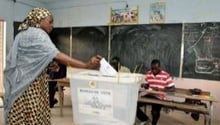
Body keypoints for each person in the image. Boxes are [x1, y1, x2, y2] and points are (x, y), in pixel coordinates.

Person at [3, 7, 101, 125]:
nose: (52, 26)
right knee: (33, 116)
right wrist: (86, 65)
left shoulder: (22, 34)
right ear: (38, 21)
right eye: (50, 22)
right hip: (32, 86)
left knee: (20, 114)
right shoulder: (39, 34)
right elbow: (57, 55)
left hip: (18, 83)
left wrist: (48, 65)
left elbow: (29, 59)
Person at [136, 59, 175, 125]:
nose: (154, 71)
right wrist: (145, 85)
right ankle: (145, 119)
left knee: (154, 112)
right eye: (152, 68)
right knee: (135, 105)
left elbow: (172, 89)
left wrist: (159, 89)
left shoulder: (166, 75)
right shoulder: (149, 73)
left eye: (156, 69)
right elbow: (147, 84)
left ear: (159, 67)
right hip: (150, 95)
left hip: (160, 97)